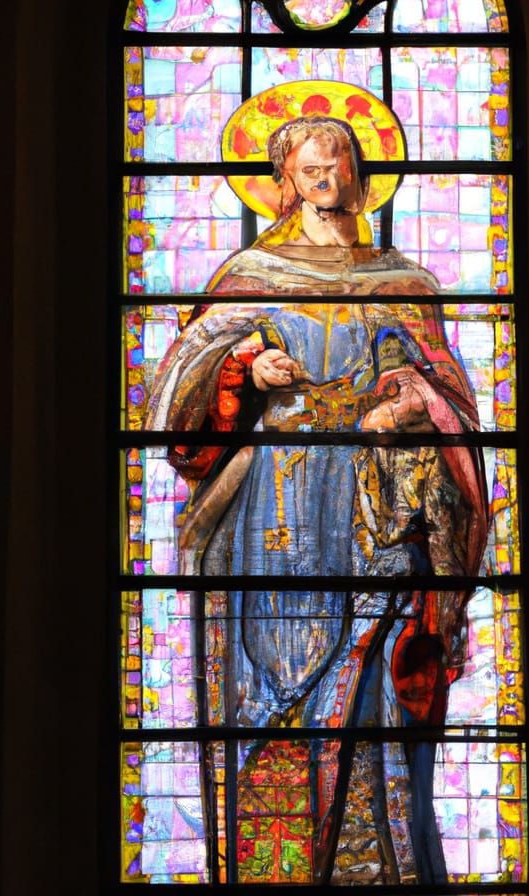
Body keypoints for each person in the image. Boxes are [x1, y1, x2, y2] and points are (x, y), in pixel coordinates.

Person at [144, 115, 488, 883]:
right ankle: (278, 869)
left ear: (362, 174)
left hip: (377, 504)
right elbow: (179, 388)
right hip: (279, 501)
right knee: (272, 686)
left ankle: (381, 866)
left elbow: (447, 397)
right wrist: (246, 362)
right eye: (310, 163)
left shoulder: (403, 282)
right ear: (286, 179)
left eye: (340, 160)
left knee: (377, 684)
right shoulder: (252, 275)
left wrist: (408, 402)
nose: (327, 174)